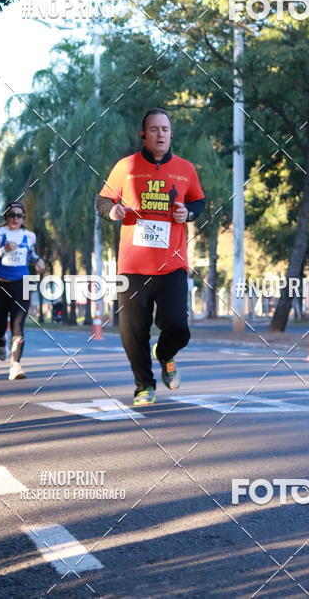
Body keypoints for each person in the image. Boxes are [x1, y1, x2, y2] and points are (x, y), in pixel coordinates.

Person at [97, 108, 205, 406]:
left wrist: (189, 213)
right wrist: (112, 210)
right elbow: (103, 198)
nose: (161, 134)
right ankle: (144, 386)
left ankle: (166, 353)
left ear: (171, 134)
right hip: (132, 266)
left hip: (172, 264)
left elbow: (198, 201)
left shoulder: (185, 169)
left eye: (166, 129)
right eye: (154, 129)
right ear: (143, 134)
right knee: (133, 331)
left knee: (178, 327)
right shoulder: (126, 167)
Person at [0, 200, 45, 380]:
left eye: (19, 215)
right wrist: (3, 250)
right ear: (6, 217)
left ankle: (15, 365)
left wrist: (38, 260)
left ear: (23, 217)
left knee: (18, 324)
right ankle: (0, 339)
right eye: (11, 215)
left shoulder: (29, 235)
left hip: (23, 284)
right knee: (0, 324)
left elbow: (30, 253)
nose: (15, 218)